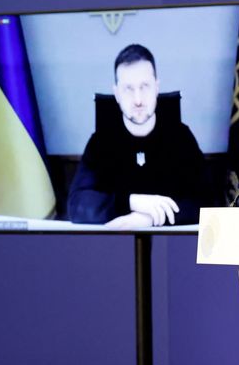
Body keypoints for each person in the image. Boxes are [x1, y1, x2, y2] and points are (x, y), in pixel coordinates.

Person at [68, 44, 205, 228]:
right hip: (116, 246)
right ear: (116, 94)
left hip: (171, 245)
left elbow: (207, 201)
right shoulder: (101, 141)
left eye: (145, 86)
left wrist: (150, 219)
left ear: (157, 87)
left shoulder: (181, 137)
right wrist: (131, 201)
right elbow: (77, 205)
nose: (138, 100)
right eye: (128, 89)